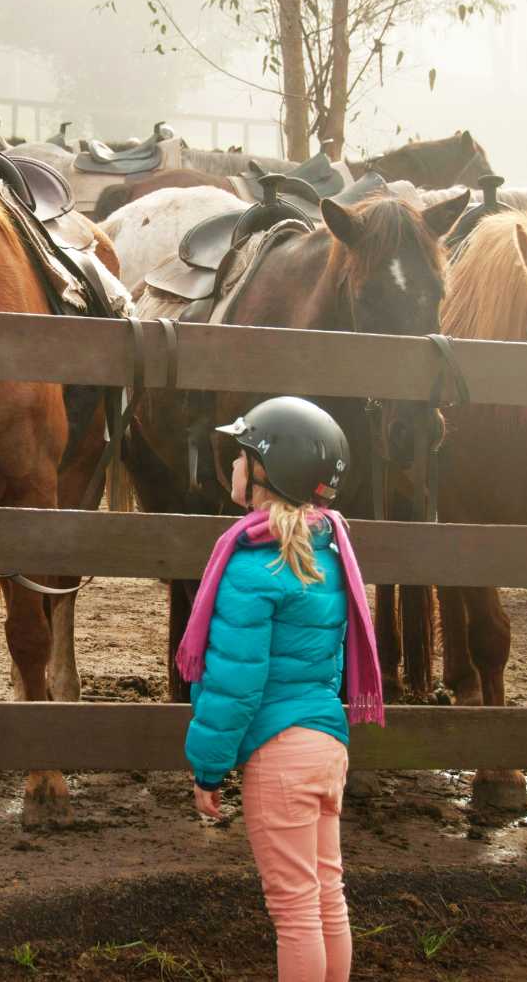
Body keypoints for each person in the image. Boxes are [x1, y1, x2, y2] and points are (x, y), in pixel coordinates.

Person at [178, 396, 385, 982]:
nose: (234, 466)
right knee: (326, 896)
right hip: (327, 744)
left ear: (267, 472)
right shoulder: (329, 553)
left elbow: (234, 686)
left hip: (280, 754)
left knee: (294, 911)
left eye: (243, 455)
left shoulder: (252, 566)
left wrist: (208, 770)